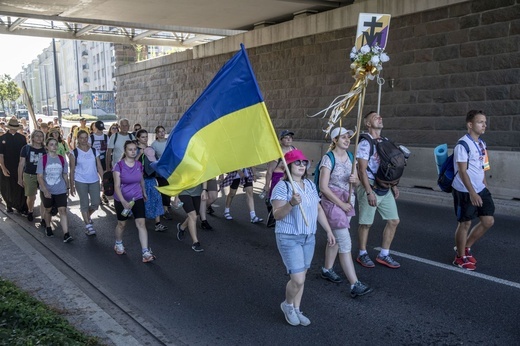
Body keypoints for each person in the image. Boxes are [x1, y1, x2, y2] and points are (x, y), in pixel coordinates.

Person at [271, 149, 335, 326]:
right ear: (289, 165)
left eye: (304, 162)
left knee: (302, 278)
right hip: (289, 237)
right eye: (297, 162)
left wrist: (329, 231)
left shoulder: (310, 184)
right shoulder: (282, 187)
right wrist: (291, 203)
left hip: (309, 237)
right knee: (297, 279)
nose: (301, 165)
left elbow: (318, 209)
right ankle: (288, 305)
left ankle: (297, 308)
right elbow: (276, 215)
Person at [318, 127, 373, 298]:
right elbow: (323, 187)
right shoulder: (328, 159)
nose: (347, 139)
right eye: (343, 137)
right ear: (335, 140)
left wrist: (355, 180)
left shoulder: (351, 157)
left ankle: (327, 269)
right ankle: (354, 284)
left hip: (347, 202)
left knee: (335, 239)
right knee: (345, 242)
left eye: (348, 137)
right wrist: (341, 204)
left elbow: (355, 183)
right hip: (334, 204)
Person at [355, 111, 401, 269]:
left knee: (394, 221)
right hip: (371, 185)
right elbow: (361, 170)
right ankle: (362, 254)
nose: (380, 118)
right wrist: (368, 192)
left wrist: (394, 185)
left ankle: (384, 254)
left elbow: (391, 165)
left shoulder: (386, 141)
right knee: (366, 224)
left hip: (385, 186)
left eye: (380, 116)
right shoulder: (365, 143)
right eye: (375, 117)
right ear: (368, 124)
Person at [451, 110, 495, 271]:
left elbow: (483, 167)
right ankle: (459, 257)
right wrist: (472, 192)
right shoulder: (462, 144)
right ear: (470, 125)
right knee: (465, 223)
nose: (484, 125)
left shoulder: (482, 144)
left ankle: (465, 247)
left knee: (488, 220)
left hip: (480, 188)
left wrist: (484, 187)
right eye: (480, 122)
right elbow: (462, 171)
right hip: (464, 190)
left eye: (485, 122)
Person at [112, 140, 156, 263]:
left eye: (134, 149)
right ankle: (118, 243)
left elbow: (141, 179)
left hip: (137, 197)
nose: (133, 151)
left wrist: (144, 192)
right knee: (122, 224)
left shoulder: (138, 164)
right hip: (121, 199)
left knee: (141, 223)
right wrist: (123, 201)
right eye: (130, 149)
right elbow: (116, 186)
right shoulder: (119, 166)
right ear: (125, 151)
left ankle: (145, 252)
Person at [36, 137, 72, 242]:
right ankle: (48, 227)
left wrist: (67, 187)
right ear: (47, 147)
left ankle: (66, 234)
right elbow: (39, 176)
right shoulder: (43, 159)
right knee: (48, 210)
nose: (54, 146)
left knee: (63, 210)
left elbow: (65, 174)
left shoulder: (61, 158)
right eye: (51, 144)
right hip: (47, 189)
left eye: (55, 144)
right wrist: (45, 190)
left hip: (60, 189)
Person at [69, 130, 104, 236]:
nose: (84, 140)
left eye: (86, 137)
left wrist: (103, 180)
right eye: (81, 138)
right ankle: (88, 226)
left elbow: (99, 166)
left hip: (94, 180)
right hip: (80, 180)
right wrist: (71, 185)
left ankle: (87, 216)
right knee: (84, 203)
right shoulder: (74, 152)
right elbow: (72, 170)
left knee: (96, 203)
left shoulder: (93, 151)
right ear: (78, 139)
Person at [135, 129, 167, 232]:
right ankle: (140, 222)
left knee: (157, 198)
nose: (145, 139)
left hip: (151, 178)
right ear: (138, 138)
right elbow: (131, 162)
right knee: (141, 201)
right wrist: (140, 153)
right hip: (140, 180)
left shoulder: (150, 149)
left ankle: (158, 223)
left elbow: (156, 162)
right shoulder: (135, 149)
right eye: (143, 137)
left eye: (146, 136)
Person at [263, 130, 297, 227]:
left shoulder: (294, 149)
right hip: (278, 178)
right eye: (286, 137)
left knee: (290, 198)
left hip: (291, 177)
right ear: (281, 140)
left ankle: (287, 218)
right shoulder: (276, 152)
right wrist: (266, 185)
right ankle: (275, 217)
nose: (289, 139)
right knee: (278, 198)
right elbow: (270, 171)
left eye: (290, 137)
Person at [0, 117, 28, 214]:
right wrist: (3, 167)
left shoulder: (22, 138)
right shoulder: (2, 138)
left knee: (21, 186)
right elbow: (1, 155)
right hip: (8, 166)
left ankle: (22, 206)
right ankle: (9, 204)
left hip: (20, 165)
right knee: (8, 187)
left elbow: (25, 153)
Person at [18, 130, 46, 223]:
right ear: (32, 137)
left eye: (41, 136)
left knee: (44, 197)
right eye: (37, 136)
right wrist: (20, 178)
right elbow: (21, 164)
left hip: (43, 175)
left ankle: (43, 218)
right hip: (29, 175)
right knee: (31, 197)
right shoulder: (26, 148)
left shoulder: (45, 149)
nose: (39, 138)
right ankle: (30, 210)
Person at [176, 181, 207, 252]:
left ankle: (181, 227)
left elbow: (204, 175)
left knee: (195, 215)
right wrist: (176, 196)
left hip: (197, 191)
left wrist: (204, 190)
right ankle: (195, 242)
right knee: (193, 215)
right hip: (183, 191)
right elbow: (177, 178)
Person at [151, 125, 172, 219]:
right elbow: (152, 158)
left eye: (163, 131)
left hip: (171, 169)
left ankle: (167, 205)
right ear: (156, 134)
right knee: (164, 189)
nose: (162, 133)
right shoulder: (154, 144)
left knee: (170, 188)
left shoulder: (169, 141)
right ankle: (165, 210)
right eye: (159, 132)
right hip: (160, 171)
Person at [88, 120, 109, 204]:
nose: (100, 131)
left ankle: (104, 194)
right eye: (99, 129)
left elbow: (108, 150)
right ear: (95, 128)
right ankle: (97, 196)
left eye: (102, 129)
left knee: (105, 179)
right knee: (95, 179)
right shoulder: (91, 137)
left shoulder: (106, 137)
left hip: (103, 159)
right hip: (94, 160)